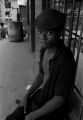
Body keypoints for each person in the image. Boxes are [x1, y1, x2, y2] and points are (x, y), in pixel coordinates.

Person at [5, 9, 76, 120]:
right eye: (40, 32)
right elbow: (41, 75)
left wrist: (33, 115)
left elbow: (60, 99)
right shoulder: (44, 50)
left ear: (60, 33)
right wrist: (26, 96)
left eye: (49, 33)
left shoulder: (65, 60)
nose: (42, 37)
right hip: (41, 97)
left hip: (55, 109)